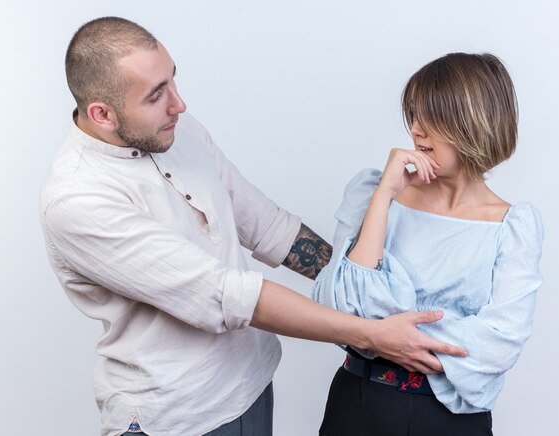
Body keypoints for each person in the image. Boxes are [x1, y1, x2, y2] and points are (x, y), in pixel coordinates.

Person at [39, 17, 467, 436]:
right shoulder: (77, 200)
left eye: (173, 80)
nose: (179, 104)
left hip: (251, 386)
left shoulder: (176, 129)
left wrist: (357, 284)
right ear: (102, 114)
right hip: (174, 417)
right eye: (156, 95)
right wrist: (373, 334)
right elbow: (228, 296)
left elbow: (266, 226)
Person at [313, 52, 544, 435]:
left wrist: (377, 328)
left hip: (449, 421)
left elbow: (498, 346)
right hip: (355, 404)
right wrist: (385, 194)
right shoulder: (372, 191)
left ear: (473, 123)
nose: (416, 131)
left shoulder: (513, 225)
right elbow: (336, 305)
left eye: (431, 118)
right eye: (414, 116)